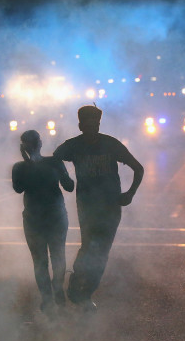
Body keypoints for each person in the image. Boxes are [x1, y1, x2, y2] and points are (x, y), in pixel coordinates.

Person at [53, 105, 144, 312]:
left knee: (102, 250)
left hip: (111, 206)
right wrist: (65, 179)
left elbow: (138, 168)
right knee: (88, 246)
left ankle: (86, 293)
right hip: (87, 205)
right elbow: (54, 160)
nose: (92, 127)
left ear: (99, 124)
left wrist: (130, 193)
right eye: (87, 124)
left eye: (95, 123)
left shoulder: (111, 144)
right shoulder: (73, 146)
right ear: (80, 125)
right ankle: (76, 284)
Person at [12, 130, 75, 317]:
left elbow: (18, 188)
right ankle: (56, 292)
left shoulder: (20, 167)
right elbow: (70, 186)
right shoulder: (53, 162)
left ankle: (48, 298)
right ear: (40, 143)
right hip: (53, 217)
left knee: (40, 262)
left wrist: (29, 162)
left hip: (34, 219)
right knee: (57, 256)